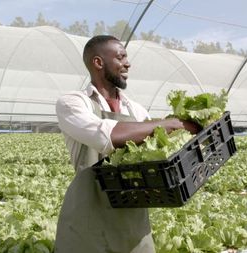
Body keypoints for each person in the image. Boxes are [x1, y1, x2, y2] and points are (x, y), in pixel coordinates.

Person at [55, 35, 200, 253]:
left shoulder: (136, 110)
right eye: (121, 57)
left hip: (133, 218)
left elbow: (159, 154)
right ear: (98, 62)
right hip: (88, 218)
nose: (127, 63)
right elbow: (107, 136)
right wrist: (170, 123)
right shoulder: (73, 103)